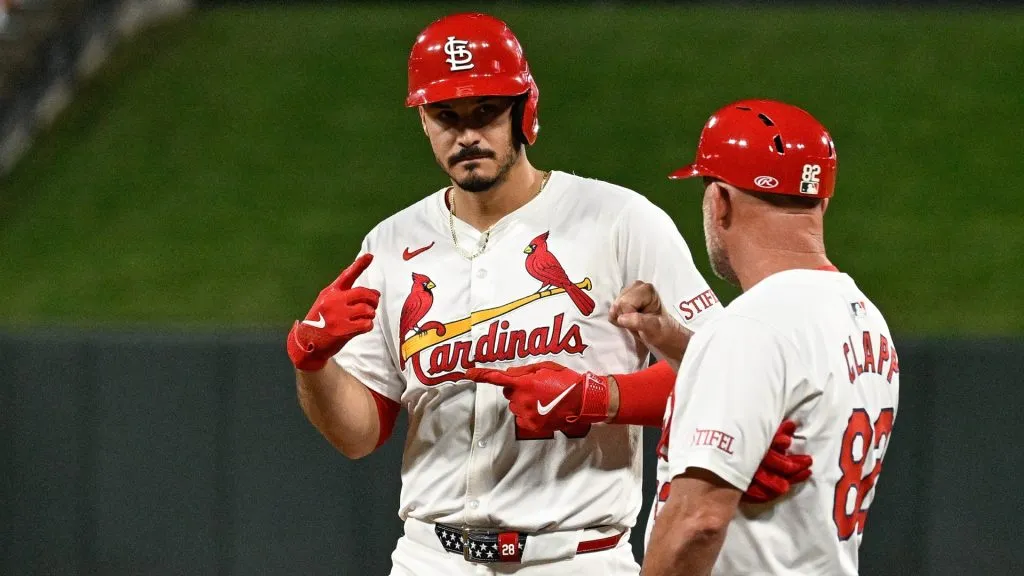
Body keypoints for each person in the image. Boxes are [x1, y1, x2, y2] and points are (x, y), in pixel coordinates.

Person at [286, 13, 809, 575]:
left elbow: (724, 377)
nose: (467, 135)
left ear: (524, 110)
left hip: (573, 557)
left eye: (486, 111)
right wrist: (311, 361)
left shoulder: (618, 220)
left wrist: (598, 394)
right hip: (428, 558)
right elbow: (360, 435)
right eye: (446, 116)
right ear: (423, 120)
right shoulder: (390, 243)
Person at [624, 99, 899, 575]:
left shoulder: (751, 327)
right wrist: (675, 341)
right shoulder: (865, 318)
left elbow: (699, 522)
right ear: (822, 200)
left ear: (720, 201)